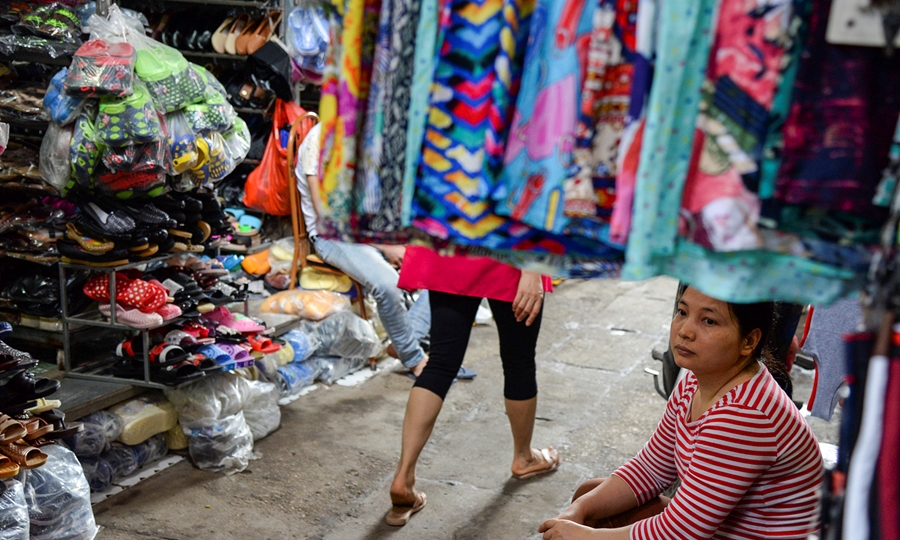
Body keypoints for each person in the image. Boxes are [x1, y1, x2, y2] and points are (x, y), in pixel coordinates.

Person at [538, 285, 823, 539]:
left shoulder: (745, 413)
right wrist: (575, 513)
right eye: (682, 311)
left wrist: (585, 536)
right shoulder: (697, 377)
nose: (685, 330)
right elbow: (652, 467)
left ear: (748, 342)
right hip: (719, 528)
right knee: (588, 498)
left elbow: (683, 531)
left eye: (708, 320)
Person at [385, 246, 561, 526]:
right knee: (519, 361)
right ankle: (524, 458)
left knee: (441, 363)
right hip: (508, 251)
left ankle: (403, 477)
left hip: (453, 245)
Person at [295, 123, 474, 379]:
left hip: (369, 232)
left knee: (448, 262)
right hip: (333, 236)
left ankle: (404, 340)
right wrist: (386, 247)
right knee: (388, 284)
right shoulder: (319, 140)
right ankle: (415, 358)